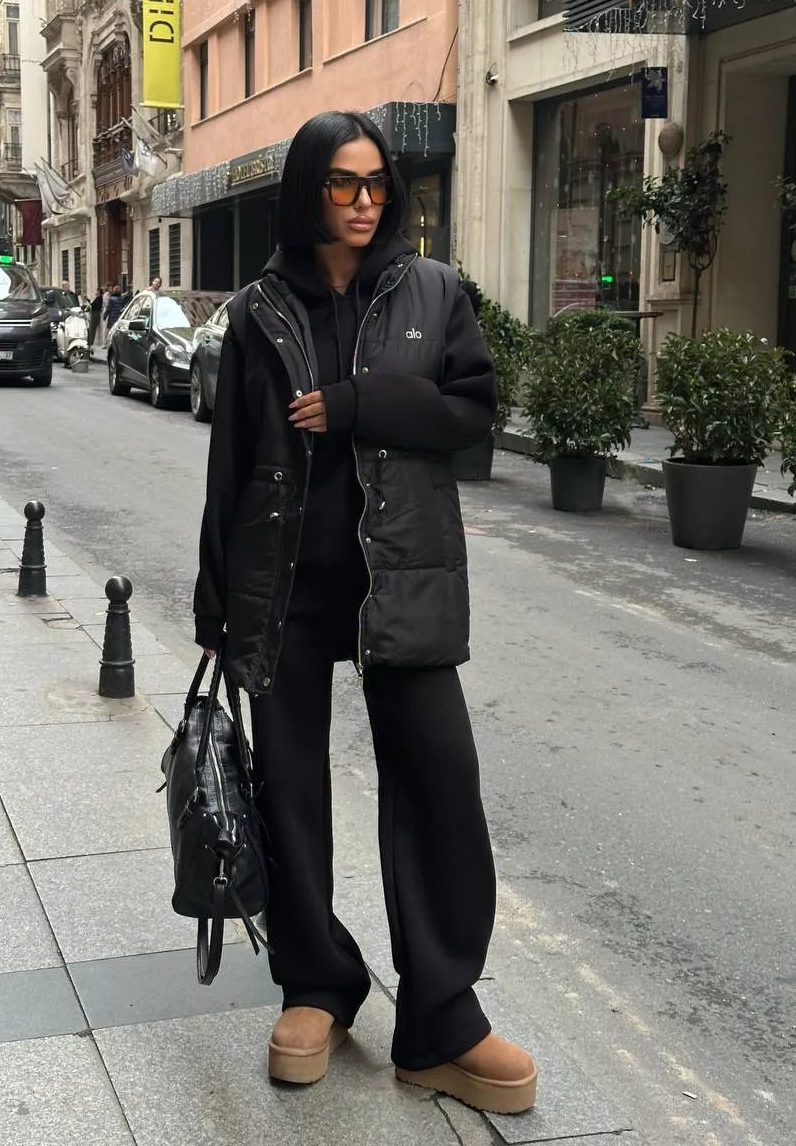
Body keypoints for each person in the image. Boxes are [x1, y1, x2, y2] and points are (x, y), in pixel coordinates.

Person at [193, 110, 537, 1115]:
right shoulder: (258, 310)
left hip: (404, 579)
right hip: (286, 587)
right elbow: (230, 462)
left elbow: (471, 412)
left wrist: (357, 403)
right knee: (288, 791)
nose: (362, 201)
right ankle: (316, 985)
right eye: (341, 183)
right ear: (307, 191)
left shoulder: (431, 290)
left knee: (440, 783)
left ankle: (442, 1021)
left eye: (376, 182)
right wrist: (217, 599)